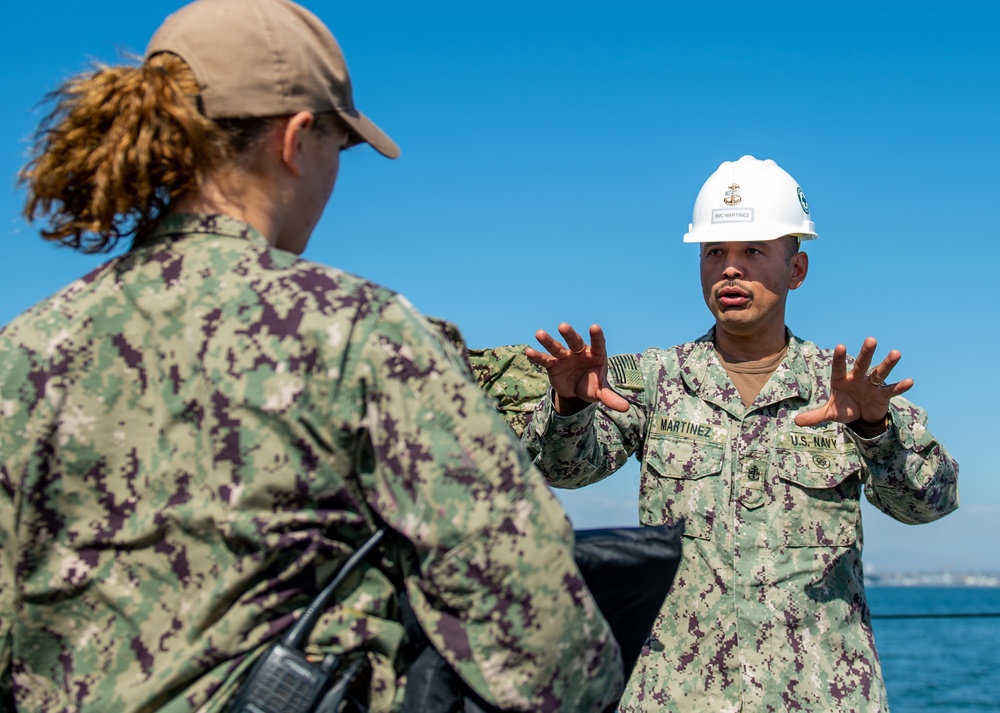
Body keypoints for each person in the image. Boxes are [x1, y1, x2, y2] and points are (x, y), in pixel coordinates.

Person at [0, 1, 624, 711]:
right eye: (339, 146)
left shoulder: (25, 351)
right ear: (297, 140)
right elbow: (555, 650)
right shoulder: (359, 335)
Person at [522, 155, 959, 712]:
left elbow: (932, 501)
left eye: (753, 252)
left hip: (820, 696)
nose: (730, 270)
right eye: (714, 254)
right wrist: (567, 406)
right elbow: (564, 470)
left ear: (797, 270)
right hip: (675, 695)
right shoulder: (656, 380)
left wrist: (878, 429)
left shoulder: (843, 388)